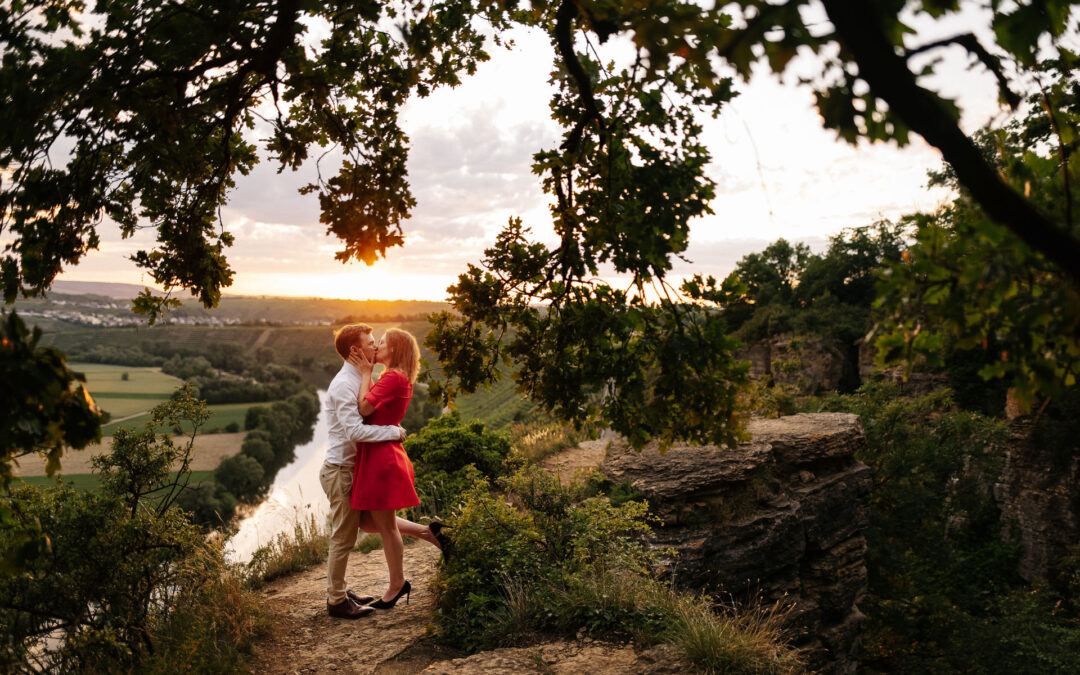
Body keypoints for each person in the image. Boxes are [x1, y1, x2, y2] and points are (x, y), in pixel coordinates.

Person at [319, 323, 419, 620]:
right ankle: (336, 600)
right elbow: (354, 430)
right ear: (355, 350)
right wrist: (391, 431)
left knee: (370, 523)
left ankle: (341, 589)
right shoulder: (344, 385)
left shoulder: (361, 377)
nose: (375, 346)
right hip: (341, 470)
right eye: (371, 342)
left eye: (378, 342)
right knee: (344, 537)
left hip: (352, 468)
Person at [349, 328, 429, 609]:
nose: (376, 347)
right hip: (380, 453)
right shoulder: (395, 376)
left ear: (393, 350)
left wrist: (363, 374)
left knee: (384, 526)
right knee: (370, 523)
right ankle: (429, 532)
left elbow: (364, 409)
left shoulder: (393, 376)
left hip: (382, 458)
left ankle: (397, 584)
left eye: (381, 343)